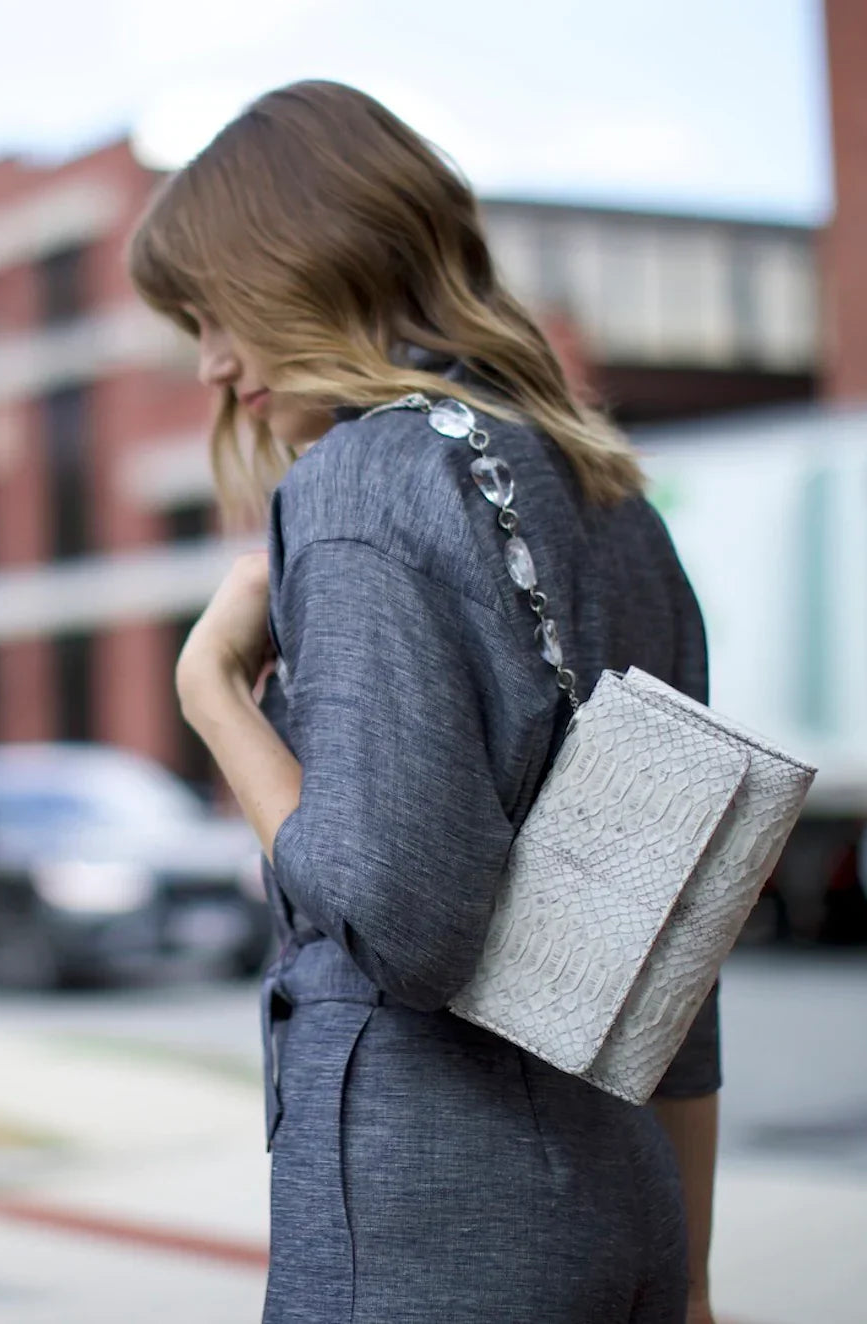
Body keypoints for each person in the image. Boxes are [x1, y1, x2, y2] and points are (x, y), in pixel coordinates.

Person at [127, 79, 720, 1324]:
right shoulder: (619, 512)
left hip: (430, 1227)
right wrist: (695, 1279)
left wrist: (213, 697)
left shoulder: (358, 484)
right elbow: (676, 962)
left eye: (215, 310)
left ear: (312, 261)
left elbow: (406, 918)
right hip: (627, 1216)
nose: (212, 362)